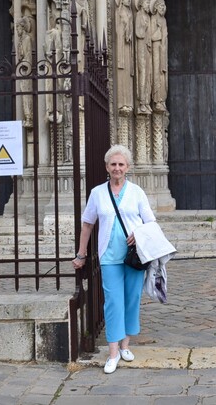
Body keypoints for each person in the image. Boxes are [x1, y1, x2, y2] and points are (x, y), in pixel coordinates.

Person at [72, 145, 156, 374]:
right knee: (112, 301)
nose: (117, 168)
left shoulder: (137, 192)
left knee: (131, 299)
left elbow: (151, 223)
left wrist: (138, 235)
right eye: (113, 164)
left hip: (134, 257)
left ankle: (125, 345)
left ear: (127, 167)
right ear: (107, 167)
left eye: (121, 164)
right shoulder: (97, 193)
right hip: (109, 257)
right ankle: (112, 352)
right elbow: (88, 224)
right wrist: (81, 254)